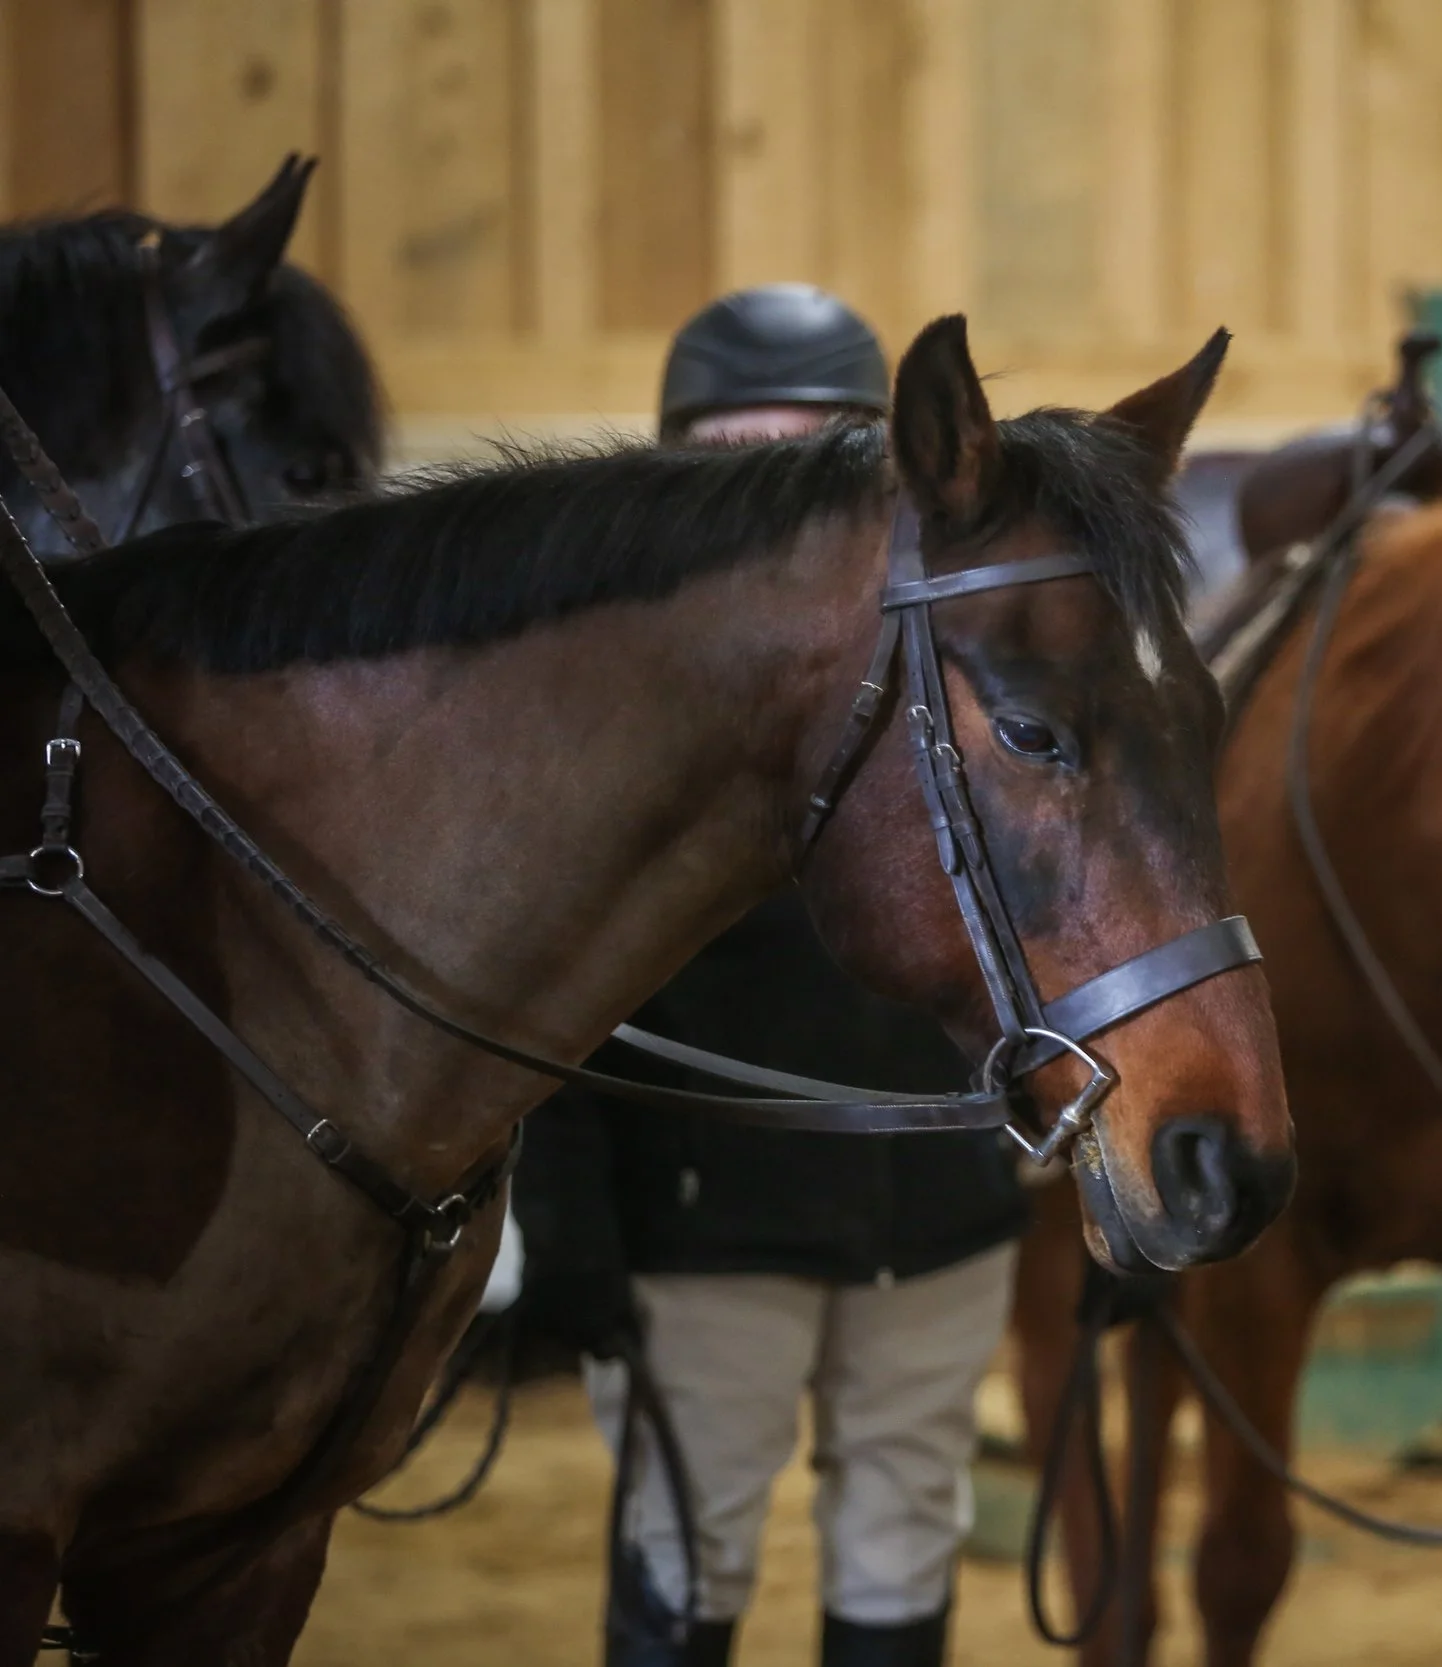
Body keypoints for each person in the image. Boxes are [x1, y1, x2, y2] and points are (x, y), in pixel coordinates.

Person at [513, 285, 1031, 1667]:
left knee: (906, 1530)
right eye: (737, 449)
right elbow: (548, 979)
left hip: (933, 1211)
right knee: (691, 1549)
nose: (768, 486)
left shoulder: (963, 680)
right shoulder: (602, 701)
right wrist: (569, 1225)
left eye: (811, 449)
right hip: (704, 1231)